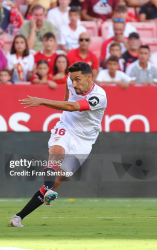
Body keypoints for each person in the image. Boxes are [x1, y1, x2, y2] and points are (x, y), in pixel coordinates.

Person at [10, 62, 107, 227]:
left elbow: (72, 106)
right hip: (66, 126)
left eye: (78, 79)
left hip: (84, 140)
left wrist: (41, 101)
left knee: (56, 181)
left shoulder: (99, 96)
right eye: (72, 79)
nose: (73, 83)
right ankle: (42, 197)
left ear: (89, 77)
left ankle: (19, 215)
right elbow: (66, 102)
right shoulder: (71, 82)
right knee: (56, 155)